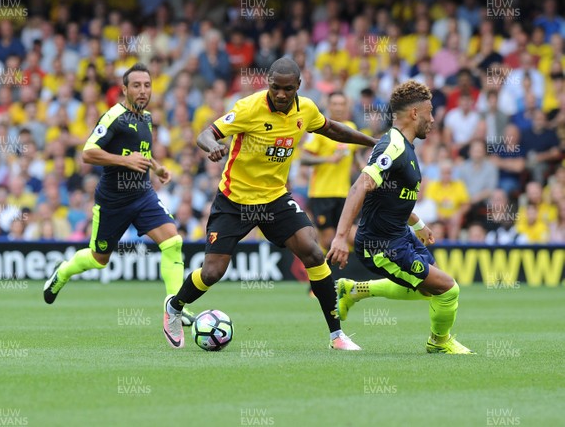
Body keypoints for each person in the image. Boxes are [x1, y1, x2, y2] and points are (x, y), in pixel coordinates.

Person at [163, 58, 377, 350]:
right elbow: (206, 134)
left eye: (287, 89)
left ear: (298, 87)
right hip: (234, 200)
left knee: (313, 252)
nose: (280, 94)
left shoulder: (307, 110)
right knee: (212, 272)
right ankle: (174, 307)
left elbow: (332, 129)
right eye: (275, 87)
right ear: (268, 83)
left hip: (275, 198)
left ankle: (336, 336)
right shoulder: (248, 108)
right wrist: (214, 148)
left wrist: (373, 141)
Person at [327, 80, 475, 354]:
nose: (433, 119)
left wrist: (418, 224)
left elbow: (395, 196)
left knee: (428, 289)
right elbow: (360, 186)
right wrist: (339, 237)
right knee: (448, 289)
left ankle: (353, 290)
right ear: (414, 114)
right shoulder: (392, 147)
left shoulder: (405, 147)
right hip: (380, 244)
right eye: (429, 112)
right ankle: (439, 343)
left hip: (400, 234)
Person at [43, 63, 194, 328]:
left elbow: (140, 152)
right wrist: (125, 161)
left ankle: (175, 308)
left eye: (147, 85)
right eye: (136, 85)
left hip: (143, 194)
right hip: (113, 201)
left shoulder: (146, 118)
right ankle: (63, 272)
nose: (143, 91)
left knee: (173, 242)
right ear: (124, 90)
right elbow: (88, 153)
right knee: (99, 259)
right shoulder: (114, 116)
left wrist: (156, 167)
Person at [301, 91, 358, 251]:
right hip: (321, 194)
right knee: (328, 241)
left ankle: (353, 273)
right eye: (335, 104)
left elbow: (354, 154)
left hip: (345, 194)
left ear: (347, 106)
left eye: (342, 104)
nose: (339, 108)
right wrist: (328, 159)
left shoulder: (351, 128)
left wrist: (364, 168)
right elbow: (304, 158)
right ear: (329, 106)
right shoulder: (319, 129)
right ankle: (325, 273)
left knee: (352, 236)